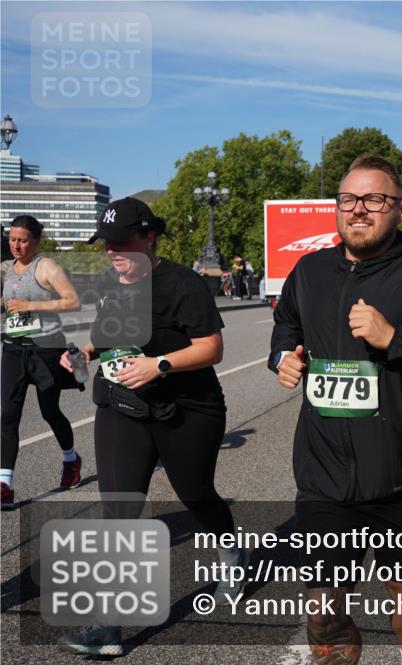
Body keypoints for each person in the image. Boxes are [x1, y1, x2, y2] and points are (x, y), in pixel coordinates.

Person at [270, 156, 402, 665]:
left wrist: (396, 339)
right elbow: (286, 327)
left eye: (375, 200)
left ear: (401, 210)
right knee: (323, 608)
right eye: (348, 200)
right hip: (324, 477)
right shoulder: (309, 271)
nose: (359, 210)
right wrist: (283, 357)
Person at [56, 198, 248, 656]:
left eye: (121, 242)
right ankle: (107, 626)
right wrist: (83, 354)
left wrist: (159, 365)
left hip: (187, 408)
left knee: (196, 495)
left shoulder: (182, 283)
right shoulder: (112, 282)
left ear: (148, 237)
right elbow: (106, 336)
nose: (112, 251)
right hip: (123, 409)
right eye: (106, 244)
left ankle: (232, 555)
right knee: (119, 511)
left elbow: (211, 348)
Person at [1, 215, 83, 507]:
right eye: (12, 239)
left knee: (50, 411)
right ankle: (5, 485)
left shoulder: (46, 266)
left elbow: (72, 300)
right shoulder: (5, 269)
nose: (16, 245)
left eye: (22, 240)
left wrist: (31, 304)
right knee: (8, 416)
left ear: (35, 241)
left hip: (46, 348)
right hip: (13, 348)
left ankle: (71, 460)